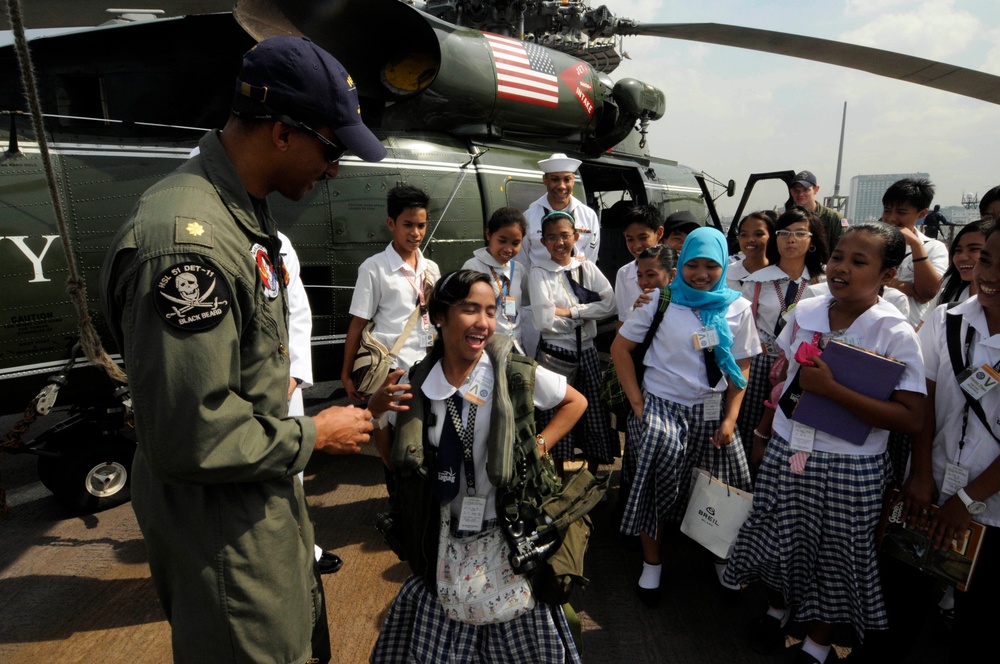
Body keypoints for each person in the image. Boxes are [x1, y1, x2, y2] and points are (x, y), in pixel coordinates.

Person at [99, 36, 383, 663]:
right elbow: (190, 434)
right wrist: (316, 434)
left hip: (254, 507)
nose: (334, 170)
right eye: (331, 149)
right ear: (282, 133)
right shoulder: (188, 245)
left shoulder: (240, 218)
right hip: (225, 535)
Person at [724, 221, 926, 664]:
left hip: (849, 463)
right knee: (778, 536)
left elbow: (912, 416)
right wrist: (762, 431)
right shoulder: (805, 311)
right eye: (837, 257)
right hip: (788, 446)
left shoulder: (893, 332)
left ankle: (816, 642)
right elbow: (781, 382)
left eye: (859, 262)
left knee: (838, 552)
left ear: (888, 275)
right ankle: (777, 609)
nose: (841, 269)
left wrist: (834, 391)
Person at [367, 270, 588, 663]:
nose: (483, 323)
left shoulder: (511, 374)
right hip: (445, 539)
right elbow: (394, 459)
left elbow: (575, 403)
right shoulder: (416, 385)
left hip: (507, 536)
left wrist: (536, 446)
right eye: (470, 310)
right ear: (439, 316)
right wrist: (375, 410)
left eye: (490, 310)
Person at [611, 227, 760, 604]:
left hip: (712, 410)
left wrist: (730, 419)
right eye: (693, 264)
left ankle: (721, 557)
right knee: (655, 477)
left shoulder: (738, 307)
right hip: (663, 404)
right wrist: (639, 404)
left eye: (712, 265)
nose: (701, 273)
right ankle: (652, 564)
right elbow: (620, 349)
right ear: (680, 266)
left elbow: (740, 370)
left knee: (729, 484)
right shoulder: (660, 301)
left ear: (725, 265)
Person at [888, 219, 1000, 663]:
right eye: (986, 260)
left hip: (990, 510)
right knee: (900, 605)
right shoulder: (946, 320)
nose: (988, 275)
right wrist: (920, 475)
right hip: (929, 490)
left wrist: (968, 500)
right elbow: (925, 402)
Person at [342, 184, 441, 464]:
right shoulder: (374, 268)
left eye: (421, 225)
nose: (416, 233)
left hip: (427, 363)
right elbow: (358, 322)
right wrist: (347, 372)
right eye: (407, 224)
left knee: (424, 435)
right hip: (393, 367)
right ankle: (396, 496)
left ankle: (420, 499)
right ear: (391, 223)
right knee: (388, 434)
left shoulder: (431, 268)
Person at [529, 211, 616, 476]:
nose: (559, 243)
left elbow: (610, 303)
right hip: (555, 353)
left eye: (565, 236)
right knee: (554, 413)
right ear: (543, 242)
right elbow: (544, 319)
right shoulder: (539, 272)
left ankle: (589, 476)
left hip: (587, 351)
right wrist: (588, 310)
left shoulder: (585, 267)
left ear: (576, 236)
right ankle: (557, 474)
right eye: (552, 237)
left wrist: (571, 312)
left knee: (593, 414)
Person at [738, 206, 826, 459]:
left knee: (788, 429)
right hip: (759, 362)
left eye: (800, 233)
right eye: (784, 232)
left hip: (799, 369)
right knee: (750, 424)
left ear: (811, 242)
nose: (791, 239)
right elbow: (743, 327)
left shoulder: (822, 283)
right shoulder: (757, 281)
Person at [617, 244, 677, 510]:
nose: (643, 282)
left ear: (672, 274)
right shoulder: (649, 300)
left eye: (650, 275)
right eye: (641, 275)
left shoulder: (676, 302)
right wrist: (638, 403)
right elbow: (622, 348)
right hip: (648, 390)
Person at [881, 177, 948, 328]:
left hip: (908, 326)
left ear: (922, 214)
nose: (891, 218)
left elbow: (926, 293)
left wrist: (916, 245)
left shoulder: (933, 248)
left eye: (901, 212)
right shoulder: (870, 242)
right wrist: (910, 288)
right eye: (887, 210)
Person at [462, 207, 528, 353]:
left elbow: (524, 304)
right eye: (502, 241)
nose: (508, 249)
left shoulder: (518, 270)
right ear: (488, 235)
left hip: (515, 344)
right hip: (486, 347)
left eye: (515, 243)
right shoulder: (474, 266)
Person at [519, 153, 600, 268]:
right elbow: (522, 261)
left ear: (573, 180)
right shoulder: (529, 217)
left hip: (577, 282)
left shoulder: (589, 216)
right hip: (540, 282)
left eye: (567, 179)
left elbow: (590, 259)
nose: (562, 186)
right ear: (545, 180)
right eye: (555, 179)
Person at [614, 205, 665, 327]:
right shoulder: (624, 273)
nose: (636, 246)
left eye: (643, 238)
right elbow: (622, 320)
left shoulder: (678, 269)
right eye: (630, 239)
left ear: (659, 233)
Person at [924, 219, 987, 314]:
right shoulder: (946, 295)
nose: (962, 257)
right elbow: (923, 327)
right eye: (958, 250)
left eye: (974, 249)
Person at [787, 170, 844, 256]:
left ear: (816, 190)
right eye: (797, 190)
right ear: (791, 192)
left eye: (805, 190)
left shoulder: (834, 219)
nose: (800, 194)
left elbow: (842, 250)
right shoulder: (787, 219)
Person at [726, 210, 778, 290]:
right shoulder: (726, 275)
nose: (750, 239)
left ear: (770, 237)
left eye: (758, 234)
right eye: (744, 235)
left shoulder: (781, 277)